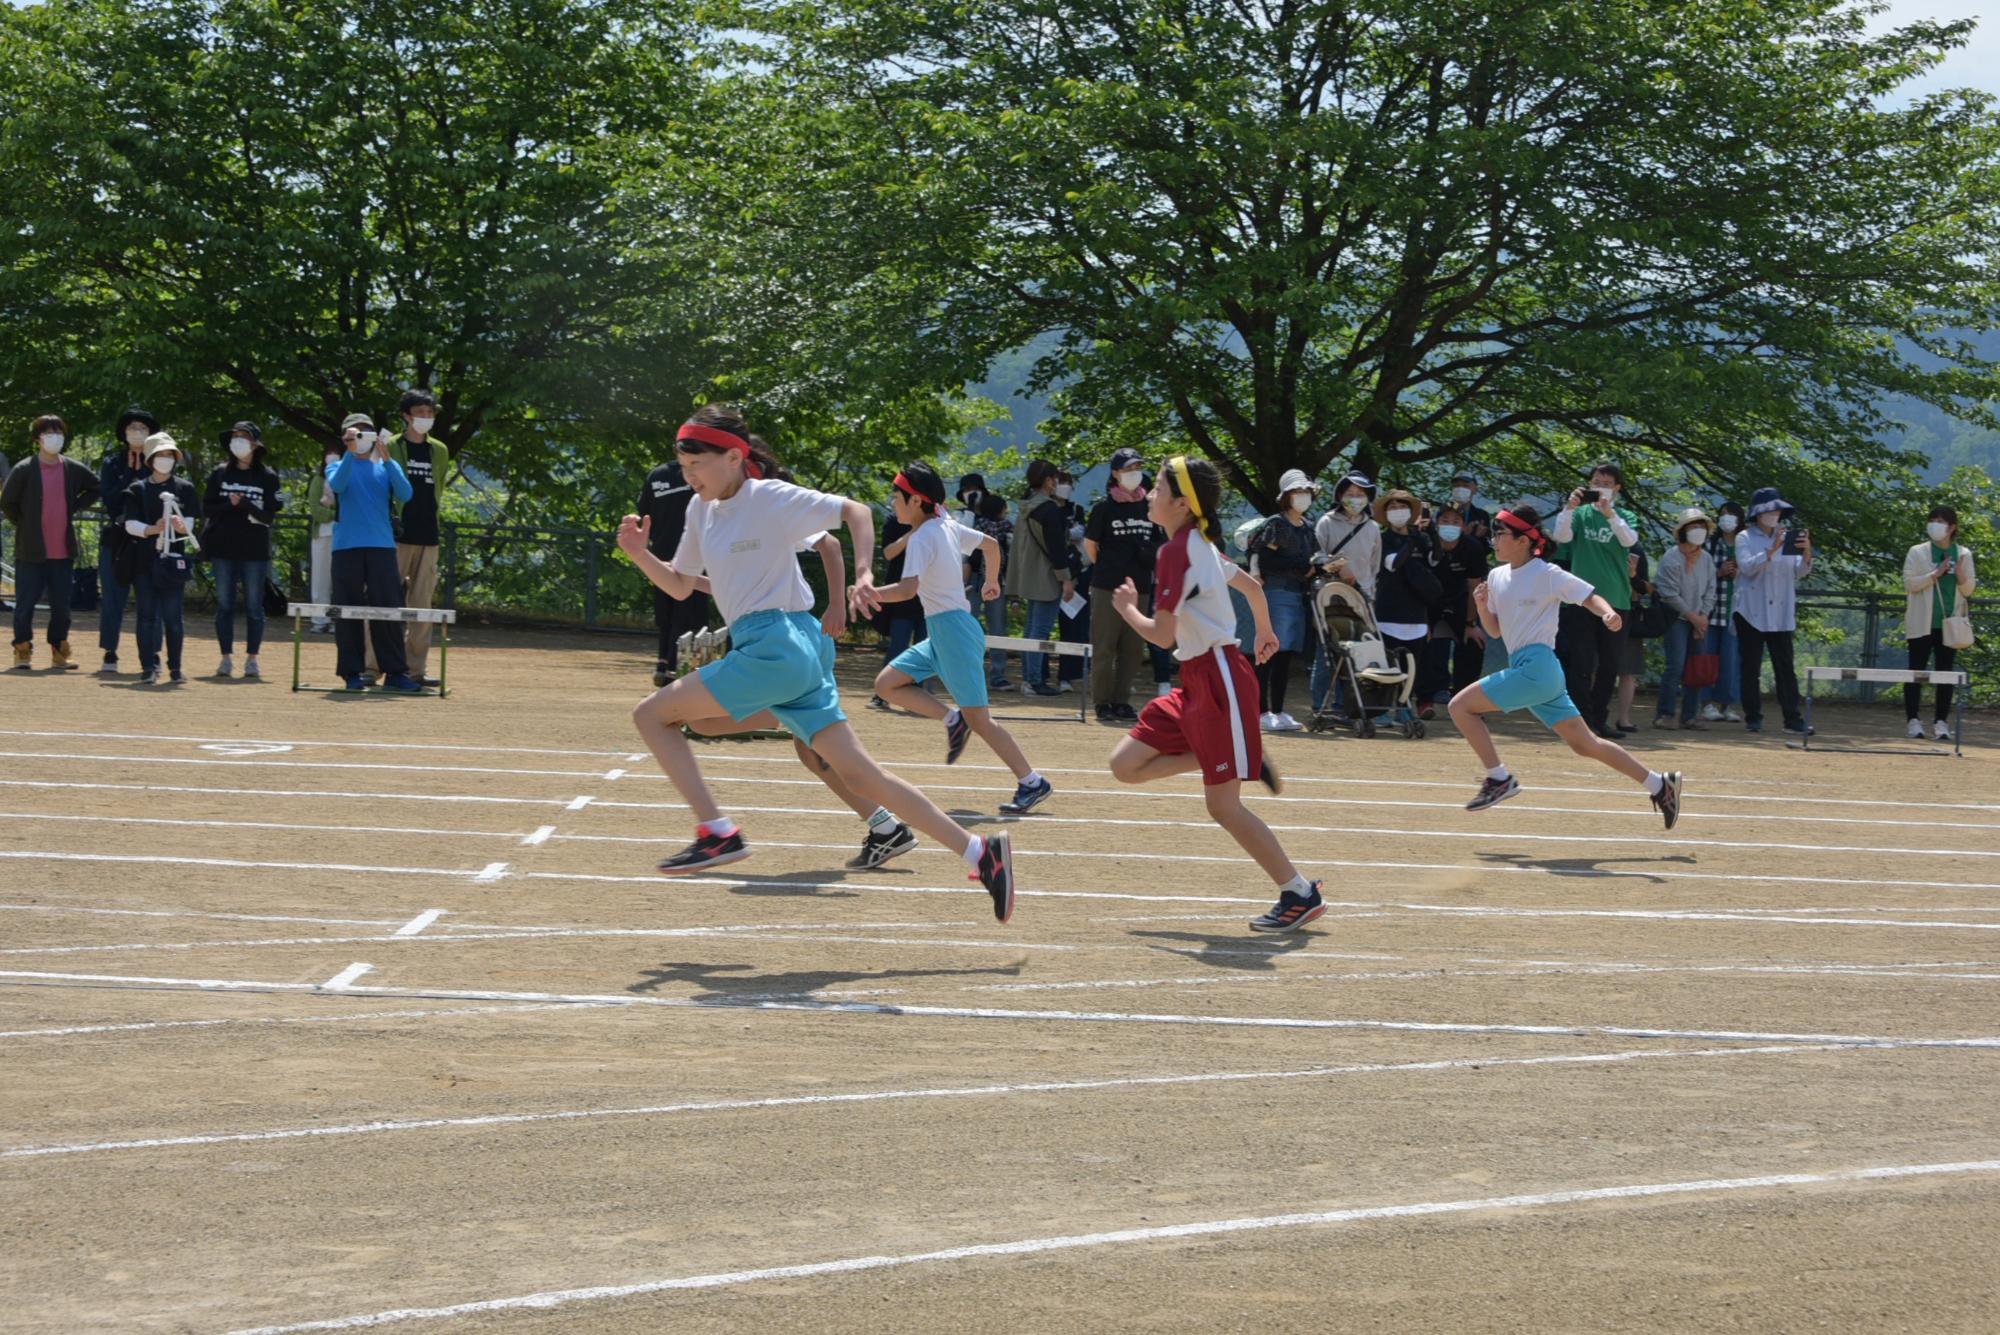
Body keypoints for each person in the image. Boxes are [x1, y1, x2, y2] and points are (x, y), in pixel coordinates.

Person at [617, 405, 1017, 920]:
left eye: (696, 465)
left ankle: (718, 832)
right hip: (786, 652)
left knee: (651, 715)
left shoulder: (770, 498)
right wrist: (638, 554)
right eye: (683, 466)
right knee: (860, 774)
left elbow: (857, 513)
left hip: (778, 643)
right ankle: (980, 853)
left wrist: (866, 573)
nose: (687, 476)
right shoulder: (700, 511)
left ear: (735, 457)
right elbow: (678, 582)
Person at [1107, 455, 1325, 934]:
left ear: (1182, 503)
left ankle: (1299, 892)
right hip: (1202, 677)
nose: (1147, 493)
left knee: (1222, 806)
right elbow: (1250, 586)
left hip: (1219, 676)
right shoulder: (1194, 544)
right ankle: (1236, 751)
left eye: (1157, 488)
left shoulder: (1179, 552)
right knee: (1124, 766)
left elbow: (1161, 636)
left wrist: (1126, 609)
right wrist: (1264, 629)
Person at [1450, 506, 1682, 827]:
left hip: (1538, 668)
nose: (1495, 540)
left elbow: (1590, 596)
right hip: (1536, 672)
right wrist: (1479, 606)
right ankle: (1659, 784)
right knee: (1585, 744)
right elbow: (1495, 631)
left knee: (1460, 707)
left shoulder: (1547, 573)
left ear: (1523, 540)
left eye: (1500, 534)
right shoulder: (1496, 576)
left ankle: (1498, 778)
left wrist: (1607, 614)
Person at [873, 461, 1053, 813]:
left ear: (915, 501)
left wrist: (867, 593)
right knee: (886, 684)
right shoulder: (945, 525)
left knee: (981, 720)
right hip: (946, 631)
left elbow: (908, 590)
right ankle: (952, 719)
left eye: (897, 496)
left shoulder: (926, 535)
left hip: (952, 632)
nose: (893, 502)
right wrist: (992, 581)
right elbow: (991, 545)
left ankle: (1032, 782)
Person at [325, 413, 421, 693]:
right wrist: (349, 452)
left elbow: (406, 493)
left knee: (388, 610)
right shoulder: (336, 466)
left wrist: (388, 458)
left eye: (366, 433)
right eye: (355, 433)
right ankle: (351, 673)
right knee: (347, 611)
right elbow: (339, 486)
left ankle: (395, 672)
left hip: (382, 546)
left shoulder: (385, 467)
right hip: (346, 548)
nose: (361, 439)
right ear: (345, 437)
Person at [3, 415, 100, 670]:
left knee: (62, 608)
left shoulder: (72, 468)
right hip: (31, 551)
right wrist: (24, 522)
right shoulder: (24, 469)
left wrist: (75, 505)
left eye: (58, 432)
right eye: (48, 433)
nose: (54, 437)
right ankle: (22, 650)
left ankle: (59, 651)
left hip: (62, 551)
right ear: (38, 439)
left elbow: (95, 487)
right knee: (24, 606)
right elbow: (8, 501)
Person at [1554, 462, 1641, 737]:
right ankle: (1581, 722)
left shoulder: (1624, 515)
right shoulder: (1579, 514)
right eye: (1595, 481)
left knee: (1609, 664)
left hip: (1617, 600)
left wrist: (1610, 514)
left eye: (1606, 483)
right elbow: (1560, 536)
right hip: (1581, 600)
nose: (1600, 486)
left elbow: (1629, 541)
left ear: (1617, 488)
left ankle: (1600, 720)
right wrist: (1569, 507)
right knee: (1580, 663)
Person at [374, 389, 450, 686]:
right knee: (383, 603)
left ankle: (415, 669)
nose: (426, 418)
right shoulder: (389, 445)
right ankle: (373, 666)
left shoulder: (440, 450)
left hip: (429, 535)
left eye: (430, 413)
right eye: (420, 413)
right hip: (395, 536)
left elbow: (438, 488)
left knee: (423, 607)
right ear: (406, 416)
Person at [1083, 446, 1164, 722]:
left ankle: (1122, 701)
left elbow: (1159, 542)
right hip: (1108, 585)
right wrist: (1107, 568)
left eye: (1137, 468)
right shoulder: (1104, 508)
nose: (1134, 473)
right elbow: (1090, 545)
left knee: (1132, 648)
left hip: (1141, 585)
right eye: (1128, 469)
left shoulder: (1150, 507)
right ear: (1115, 473)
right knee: (1104, 646)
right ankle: (1102, 703)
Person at [203, 421, 284, 679]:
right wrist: (230, 504)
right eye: (234, 437)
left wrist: (246, 504)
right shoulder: (219, 473)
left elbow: (269, 516)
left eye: (244, 437)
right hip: (223, 548)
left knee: (253, 606)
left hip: (255, 550)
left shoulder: (268, 477)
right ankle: (226, 658)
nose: (238, 441)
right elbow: (207, 508)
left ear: (255, 444)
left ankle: (252, 659)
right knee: (225, 604)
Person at [122, 433, 202, 685]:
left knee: (173, 618)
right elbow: (129, 524)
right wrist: (153, 529)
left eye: (170, 455)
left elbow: (189, 524)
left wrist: (178, 526)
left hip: (173, 563)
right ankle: (148, 666)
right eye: (161, 455)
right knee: (146, 616)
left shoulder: (184, 489)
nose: (166, 459)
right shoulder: (137, 489)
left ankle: (175, 668)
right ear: (151, 459)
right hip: (145, 561)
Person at [1734, 486, 1812, 735]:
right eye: (1769, 510)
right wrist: (1771, 549)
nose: (1774, 514)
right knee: (1751, 668)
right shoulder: (1745, 537)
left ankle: (1792, 718)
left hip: (1780, 613)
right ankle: (1753, 717)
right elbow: (1746, 567)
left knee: (1785, 667)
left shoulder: (1787, 535)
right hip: (1751, 611)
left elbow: (1799, 571)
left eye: (1777, 510)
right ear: (1757, 513)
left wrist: (1807, 550)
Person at [1247, 468, 1319, 731]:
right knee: (1269, 652)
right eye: (1297, 491)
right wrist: (1302, 565)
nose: (1302, 496)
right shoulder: (1277, 524)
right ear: (1286, 495)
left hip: (1297, 594)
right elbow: (1264, 556)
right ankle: (1261, 710)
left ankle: (1278, 710)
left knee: (1286, 655)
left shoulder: (1308, 527)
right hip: (1276, 592)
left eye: (1306, 491)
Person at [1903, 506, 1976, 740]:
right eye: (1932, 520)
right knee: (1915, 671)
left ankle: (1941, 722)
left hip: (1949, 624)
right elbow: (1910, 584)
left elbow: (1968, 589)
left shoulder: (1963, 553)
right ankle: (1913, 721)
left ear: (1952, 527)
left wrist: (1961, 573)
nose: (1935, 524)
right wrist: (1935, 573)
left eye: (1941, 521)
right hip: (1920, 622)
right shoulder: (1918, 551)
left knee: (1945, 673)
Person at [1004, 459, 1075, 697]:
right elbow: (1056, 548)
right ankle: (1034, 680)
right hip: (1046, 577)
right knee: (1040, 632)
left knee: (1031, 630)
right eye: (1055, 478)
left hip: (1028, 575)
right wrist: (1065, 578)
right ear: (1047, 481)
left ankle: (1029, 679)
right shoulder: (1049, 510)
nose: (1057, 483)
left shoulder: (1025, 508)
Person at [1311, 471, 1380, 712]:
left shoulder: (1372, 527)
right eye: (1350, 493)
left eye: (1361, 494)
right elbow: (1316, 558)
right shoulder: (1326, 522)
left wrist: (1369, 594)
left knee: (1357, 653)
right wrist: (1338, 566)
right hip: (1328, 597)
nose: (1355, 498)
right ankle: (1319, 706)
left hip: (1361, 599)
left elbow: (1374, 566)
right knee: (1327, 654)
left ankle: (1347, 707)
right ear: (1340, 495)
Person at [96, 407, 157, 672]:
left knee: (150, 600)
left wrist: (141, 472)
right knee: (112, 596)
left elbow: (154, 497)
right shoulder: (112, 462)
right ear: (124, 432)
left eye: (143, 428)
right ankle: (110, 651)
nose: (137, 432)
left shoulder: (158, 460)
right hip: (117, 536)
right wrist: (127, 474)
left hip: (148, 537)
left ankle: (152, 653)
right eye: (133, 428)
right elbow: (109, 499)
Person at [639, 453, 706, 687]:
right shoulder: (701, 474)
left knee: (665, 614)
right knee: (686, 615)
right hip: (694, 556)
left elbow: (644, 514)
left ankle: (662, 663)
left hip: (659, 555)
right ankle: (674, 671)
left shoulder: (657, 475)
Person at [1372, 487, 1436, 713]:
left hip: (1417, 615)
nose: (1398, 511)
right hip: (1388, 614)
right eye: (1393, 507)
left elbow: (1435, 561)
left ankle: (1406, 709)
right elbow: (1393, 563)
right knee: (1388, 667)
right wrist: (1412, 540)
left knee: (1414, 669)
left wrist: (1431, 532)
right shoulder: (1382, 539)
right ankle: (1383, 711)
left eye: (1402, 507)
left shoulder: (1424, 539)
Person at [1423, 501, 1492, 709]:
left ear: (1463, 525)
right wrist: (1422, 622)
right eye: (1445, 520)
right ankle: (1432, 691)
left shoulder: (1473, 547)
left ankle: (1464, 693)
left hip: (1461, 603)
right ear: (1436, 524)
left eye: (1456, 521)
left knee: (1475, 642)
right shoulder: (1425, 543)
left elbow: (1474, 586)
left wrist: (1471, 623)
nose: (1450, 525)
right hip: (1428, 603)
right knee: (1426, 643)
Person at [1653, 509, 1717, 730]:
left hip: (1698, 619)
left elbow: (1711, 589)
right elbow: (1668, 593)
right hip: (1676, 619)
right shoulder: (1672, 557)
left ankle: (1690, 715)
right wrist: (1693, 618)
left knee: (1695, 668)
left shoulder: (1706, 559)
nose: (1698, 531)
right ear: (1682, 531)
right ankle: (1665, 714)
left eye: (1701, 527)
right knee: (1676, 665)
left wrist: (1703, 617)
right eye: (1692, 527)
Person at [1699, 501, 1746, 722]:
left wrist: (1738, 573)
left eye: (1731, 515)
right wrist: (1719, 572)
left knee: (1731, 661)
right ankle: (1706, 703)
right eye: (1723, 514)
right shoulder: (1710, 543)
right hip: (1711, 611)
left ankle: (1727, 705)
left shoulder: (1745, 544)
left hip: (1735, 613)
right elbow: (1701, 574)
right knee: (1706, 658)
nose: (1727, 519)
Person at [972, 490, 1015, 689]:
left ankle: (970, 672)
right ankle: (998, 674)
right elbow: (1012, 552)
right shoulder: (1007, 526)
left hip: (975, 578)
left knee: (970, 625)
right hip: (998, 579)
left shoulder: (978, 524)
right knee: (997, 627)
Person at [1448, 470, 1494, 541]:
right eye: (1456, 486)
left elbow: (1488, 547)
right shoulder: (1442, 513)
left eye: (1465, 486)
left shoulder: (1482, 516)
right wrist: (1467, 536)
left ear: (1475, 489)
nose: (1460, 489)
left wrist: (1478, 537)